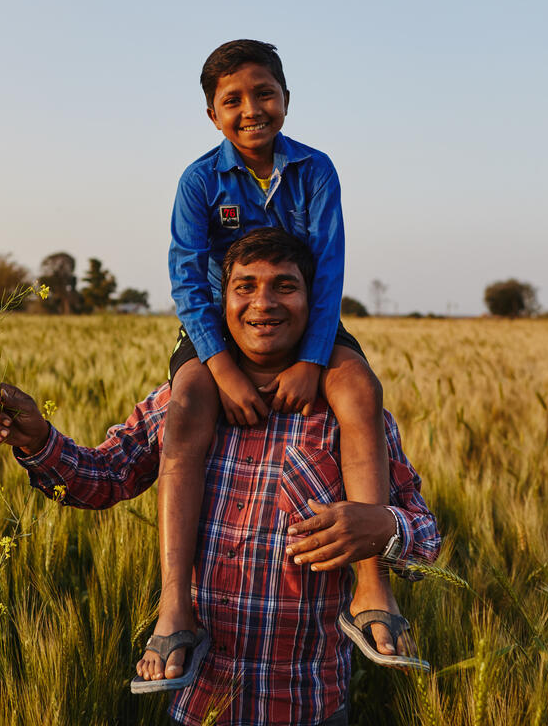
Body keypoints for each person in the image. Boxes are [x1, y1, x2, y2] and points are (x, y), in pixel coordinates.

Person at [0, 229, 440, 726]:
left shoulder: (352, 417)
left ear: (315, 303)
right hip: (198, 704)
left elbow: (428, 538)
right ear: (222, 303)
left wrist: (385, 527)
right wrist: (36, 440)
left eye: (285, 286)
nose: (262, 302)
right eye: (244, 286)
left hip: (309, 704)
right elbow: (104, 478)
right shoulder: (183, 403)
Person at [155, 39, 404, 686]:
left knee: (361, 392)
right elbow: (186, 277)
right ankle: (174, 605)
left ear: (287, 100)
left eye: (264, 93)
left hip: (305, 320)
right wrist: (222, 368)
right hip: (219, 325)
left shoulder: (316, 170)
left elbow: (330, 264)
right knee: (183, 410)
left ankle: (371, 586)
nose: (251, 109)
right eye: (231, 100)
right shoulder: (200, 180)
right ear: (212, 114)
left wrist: (315, 361)